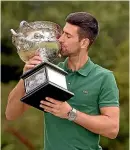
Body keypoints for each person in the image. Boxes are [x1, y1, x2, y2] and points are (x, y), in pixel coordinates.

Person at [6, 12, 119, 150]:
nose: (60, 39)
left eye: (68, 36)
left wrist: (70, 113)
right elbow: (11, 114)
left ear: (84, 43)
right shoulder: (48, 72)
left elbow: (112, 129)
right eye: (63, 33)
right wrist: (25, 78)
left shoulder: (104, 77)